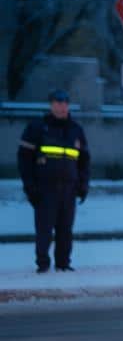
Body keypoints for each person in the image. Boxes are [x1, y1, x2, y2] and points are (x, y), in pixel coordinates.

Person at [18, 89, 89, 273]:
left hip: (69, 188)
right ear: (51, 105)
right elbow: (24, 160)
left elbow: (84, 161)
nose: (61, 107)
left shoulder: (76, 130)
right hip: (45, 188)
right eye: (57, 103)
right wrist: (30, 186)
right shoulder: (37, 128)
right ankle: (43, 264)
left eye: (65, 103)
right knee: (44, 229)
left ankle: (63, 264)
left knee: (65, 229)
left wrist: (83, 185)